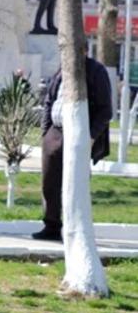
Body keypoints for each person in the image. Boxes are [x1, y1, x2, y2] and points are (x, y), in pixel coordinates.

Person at [33, 54, 112, 241]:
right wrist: (45, 132)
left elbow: (105, 110)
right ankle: (51, 225)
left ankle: (76, 227)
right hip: (55, 132)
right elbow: (49, 101)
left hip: (80, 133)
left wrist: (91, 136)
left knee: (76, 183)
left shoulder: (95, 71)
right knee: (50, 180)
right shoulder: (62, 69)